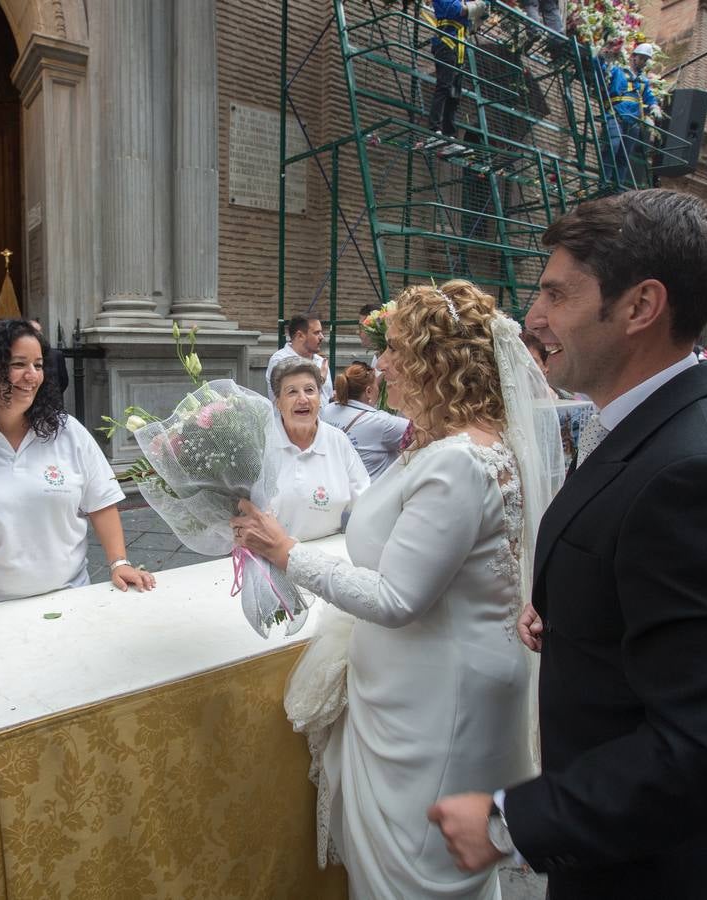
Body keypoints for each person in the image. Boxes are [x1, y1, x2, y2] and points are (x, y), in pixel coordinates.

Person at [428, 190, 707, 899]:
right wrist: (575, 612)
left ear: (640, 307)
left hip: (657, 873)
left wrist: (510, 821)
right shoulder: (650, 427)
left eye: (555, 294)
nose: (534, 319)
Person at [232, 279, 557, 897]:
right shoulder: (447, 445)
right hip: (420, 687)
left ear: (438, 363)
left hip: (439, 701)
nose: (379, 365)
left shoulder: (459, 461)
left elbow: (397, 599)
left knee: (418, 873)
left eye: (396, 351)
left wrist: (287, 552)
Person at [0, 319, 154, 632]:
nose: (32, 375)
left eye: (37, 364)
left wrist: (119, 562)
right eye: (18, 364)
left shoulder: (68, 433)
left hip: (73, 600)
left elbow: (101, 502)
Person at [262, 358, 369, 541]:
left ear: (320, 397)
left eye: (310, 390)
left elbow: (365, 502)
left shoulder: (337, 441)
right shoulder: (263, 444)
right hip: (271, 559)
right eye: (292, 392)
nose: (303, 399)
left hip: (328, 559)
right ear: (278, 402)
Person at [319, 361, 408, 479]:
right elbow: (426, 431)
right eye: (377, 386)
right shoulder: (381, 422)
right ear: (369, 391)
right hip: (369, 494)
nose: (379, 389)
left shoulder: (326, 410)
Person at [425, 1, 490, 149]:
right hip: (447, 45)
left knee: (454, 95)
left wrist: (482, 11)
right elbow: (457, 11)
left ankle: (449, 137)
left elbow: (473, 26)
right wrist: (478, 5)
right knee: (444, 87)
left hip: (458, 48)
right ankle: (434, 132)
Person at [599, 43, 662, 188]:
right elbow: (600, 70)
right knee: (612, 146)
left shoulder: (643, 80)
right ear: (633, 57)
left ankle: (617, 186)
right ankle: (604, 181)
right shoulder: (617, 70)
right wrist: (602, 56)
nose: (644, 62)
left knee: (624, 156)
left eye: (646, 60)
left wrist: (654, 106)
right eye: (642, 58)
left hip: (633, 122)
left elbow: (649, 97)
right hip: (616, 115)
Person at [266, 314, 334, 403]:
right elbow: (291, 399)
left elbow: (327, 398)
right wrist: (320, 380)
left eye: (321, 332)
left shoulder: (321, 362)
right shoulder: (280, 360)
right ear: (300, 336)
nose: (322, 337)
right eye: (316, 333)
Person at [27, 317, 69, 401]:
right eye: (34, 331)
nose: (38, 334)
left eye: (40, 331)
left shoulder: (56, 355)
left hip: (52, 402)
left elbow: (63, 381)